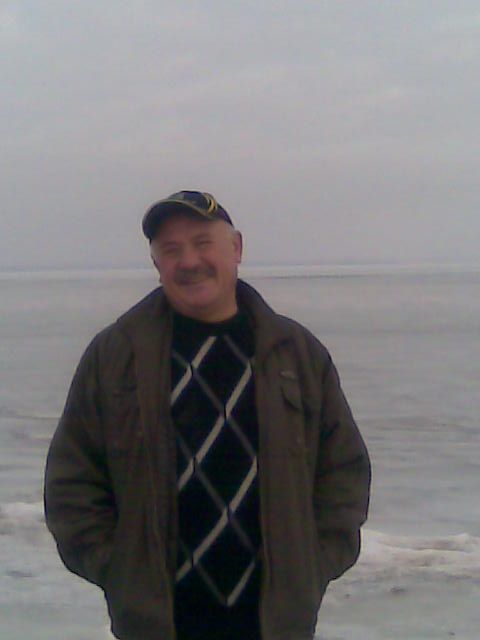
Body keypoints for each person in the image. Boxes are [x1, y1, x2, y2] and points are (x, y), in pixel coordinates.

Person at [44, 190, 371, 640]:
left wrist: (312, 566)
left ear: (236, 248)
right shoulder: (115, 355)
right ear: (156, 264)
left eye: (202, 243)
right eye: (171, 250)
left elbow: (344, 471)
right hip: (158, 627)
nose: (189, 261)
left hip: (276, 626)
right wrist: (120, 572)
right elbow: (72, 483)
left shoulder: (297, 354)